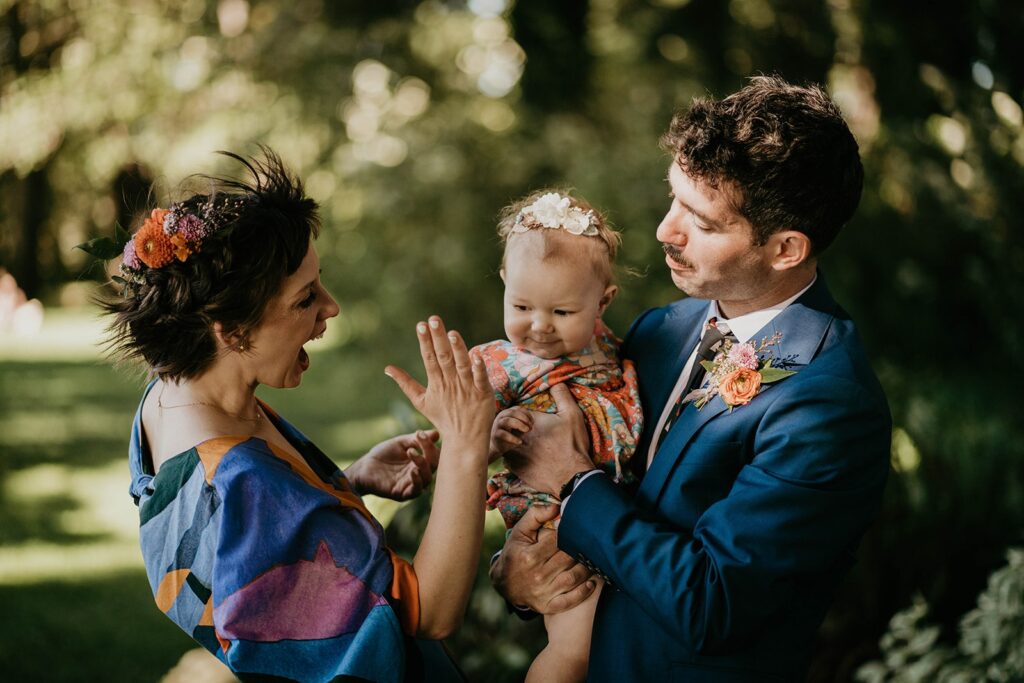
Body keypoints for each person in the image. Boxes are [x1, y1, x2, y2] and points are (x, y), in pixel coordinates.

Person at [490, 75, 892, 682]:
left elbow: (713, 604)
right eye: (673, 197)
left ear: (785, 248)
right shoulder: (660, 331)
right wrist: (520, 577)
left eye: (701, 222)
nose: (665, 231)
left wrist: (572, 482)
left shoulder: (830, 402)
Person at [87, 150, 495, 682]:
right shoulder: (242, 482)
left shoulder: (171, 396)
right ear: (231, 330)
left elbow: (249, 554)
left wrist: (343, 486)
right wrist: (467, 444)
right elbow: (429, 611)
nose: (331, 307)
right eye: (305, 299)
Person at [473, 190, 643, 682]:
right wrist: (494, 438)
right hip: (552, 523)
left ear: (602, 302)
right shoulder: (502, 366)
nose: (539, 327)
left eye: (562, 312)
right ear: (504, 284)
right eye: (522, 305)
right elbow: (462, 453)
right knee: (576, 647)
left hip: (615, 507)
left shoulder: (610, 344)